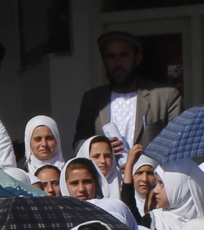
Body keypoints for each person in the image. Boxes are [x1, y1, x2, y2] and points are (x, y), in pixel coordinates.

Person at [73, 30, 183, 166]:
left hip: (150, 176)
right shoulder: (92, 99)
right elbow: (79, 144)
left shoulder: (165, 96)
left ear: (137, 58)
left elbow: (178, 142)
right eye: (111, 56)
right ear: (104, 62)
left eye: (124, 55)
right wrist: (98, 146)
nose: (117, 63)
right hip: (106, 177)